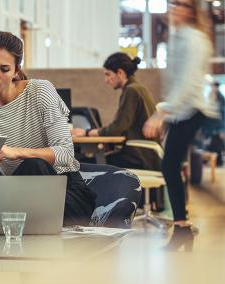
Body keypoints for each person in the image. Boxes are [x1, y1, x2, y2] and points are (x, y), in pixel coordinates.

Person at [0, 31, 96, 226]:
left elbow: (65, 153)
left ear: (15, 70)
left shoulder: (40, 92)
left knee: (33, 165)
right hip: (16, 198)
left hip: (66, 196)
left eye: (4, 69)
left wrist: (14, 153)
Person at [143, 0, 218, 233]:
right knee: (172, 165)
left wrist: (161, 113)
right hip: (183, 111)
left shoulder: (194, 39)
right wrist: (167, 115)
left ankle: (183, 226)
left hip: (193, 110)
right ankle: (181, 226)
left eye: (182, 5)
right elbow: (174, 83)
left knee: (171, 165)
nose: (175, 9)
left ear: (192, 11)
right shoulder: (178, 37)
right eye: (173, 4)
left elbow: (185, 82)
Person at [72, 52, 160, 170]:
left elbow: (117, 128)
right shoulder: (138, 88)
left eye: (108, 74)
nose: (106, 80)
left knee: (80, 164)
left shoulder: (131, 91)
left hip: (139, 157)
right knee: (89, 161)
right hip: (146, 155)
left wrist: (86, 132)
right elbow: (124, 127)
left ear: (120, 73)